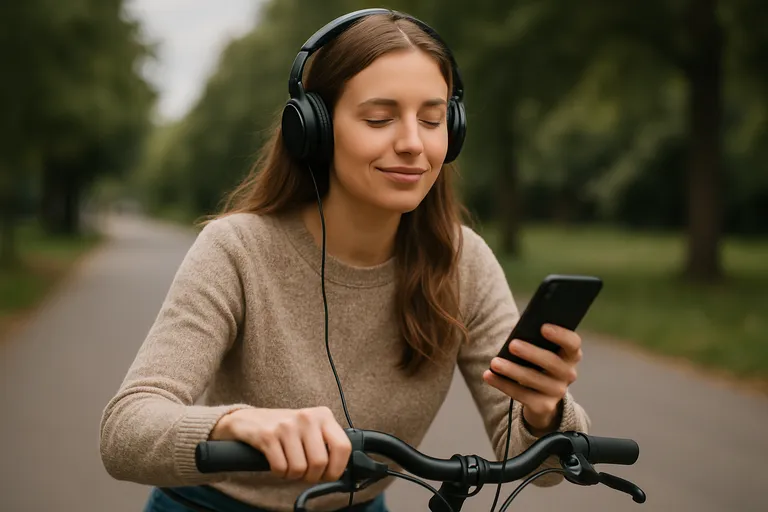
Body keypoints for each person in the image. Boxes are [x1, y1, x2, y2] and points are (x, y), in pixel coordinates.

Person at [99, 9, 590, 512]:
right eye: (379, 118)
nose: (412, 144)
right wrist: (235, 423)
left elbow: (540, 466)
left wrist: (543, 411)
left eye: (432, 119)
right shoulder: (236, 249)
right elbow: (124, 432)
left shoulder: (465, 263)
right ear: (313, 128)